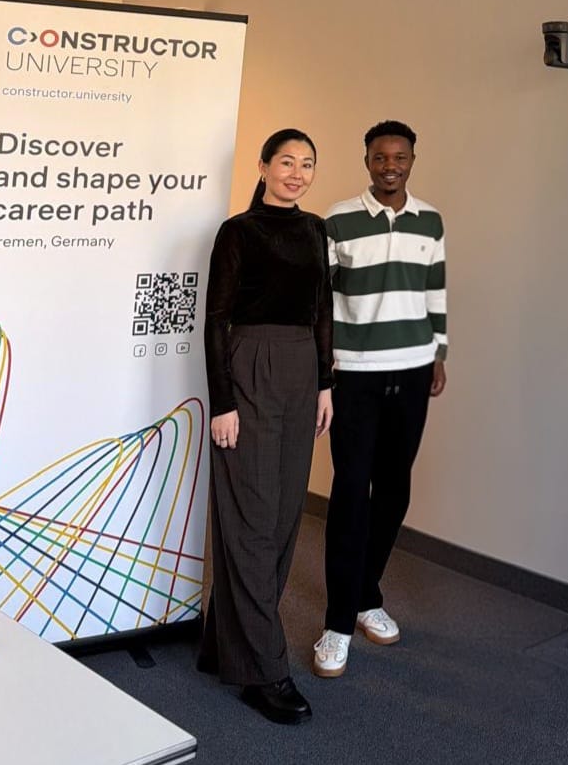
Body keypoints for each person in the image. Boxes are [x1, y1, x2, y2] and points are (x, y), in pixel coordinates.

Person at [199, 129, 334, 725]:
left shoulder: (316, 230)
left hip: (302, 373)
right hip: (249, 369)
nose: (297, 173)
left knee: (281, 519)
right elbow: (215, 320)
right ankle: (263, 669)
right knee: (251, 518)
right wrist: (222, 402)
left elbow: (323, 309)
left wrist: (325, 383)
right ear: (262, 166)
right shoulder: (238, 233)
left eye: (307, 164)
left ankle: (223, 644)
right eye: (286, 162)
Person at [312, 120, 446, 678]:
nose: (390, 166)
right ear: (367, 161)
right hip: (356, 374)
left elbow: (435, 288)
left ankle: (366, 595)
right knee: (351, 491)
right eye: (380, 157)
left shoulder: (430, 220)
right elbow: (321, 301)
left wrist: (439, 352)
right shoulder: (338, 219)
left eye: (400, 157)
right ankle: (337, 624)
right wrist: (324, 370)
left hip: (413, 370)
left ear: (413, 160)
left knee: (394, 490)